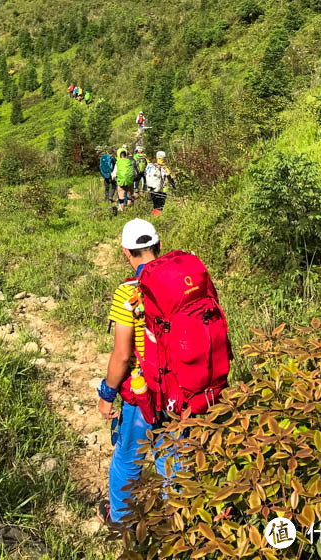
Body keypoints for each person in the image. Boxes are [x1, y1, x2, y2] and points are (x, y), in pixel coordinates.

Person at [96, 219, 230, 528]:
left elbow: (122, 354)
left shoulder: (128, 292)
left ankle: (120, 520)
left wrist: (107, 393)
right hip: (185, 389)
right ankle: (179, 528)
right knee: (173, 461)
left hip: (144, 394)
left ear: (125, 253)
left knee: (127, 457)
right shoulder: (188, 280)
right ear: (159, 246)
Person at [145, 150, 175, 217]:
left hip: (151, 188)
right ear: (164, 158)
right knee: (159, 205)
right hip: (160, 189)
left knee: (155, 204)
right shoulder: (163, 167)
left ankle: (155, 216)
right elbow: (169, 178)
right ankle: (157, 218)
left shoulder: (150, 166)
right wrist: (174, 187)